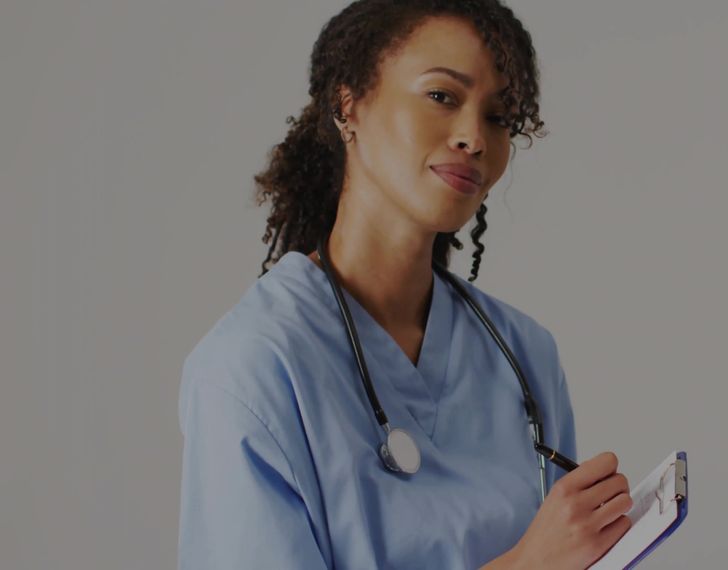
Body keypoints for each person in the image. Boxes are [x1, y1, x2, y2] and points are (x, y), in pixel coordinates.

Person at [177, 1, 633, 568]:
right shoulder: (254, 367)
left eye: (498, 116)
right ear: (349, 105)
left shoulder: (524, 355)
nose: (474, 138)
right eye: (442, 97)